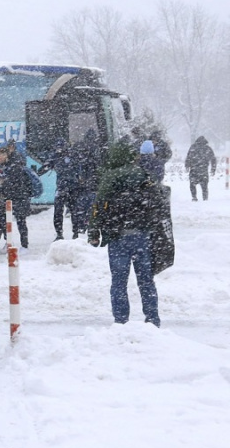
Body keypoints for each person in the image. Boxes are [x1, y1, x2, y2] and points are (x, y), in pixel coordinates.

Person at [88, 138, 163, 327]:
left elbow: (98, 206)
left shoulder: (110, 176)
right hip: (141, 235)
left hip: (117, 235)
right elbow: (156, 200)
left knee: (119, 282)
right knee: (146, 280)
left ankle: (121, 321)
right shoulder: (143, 174)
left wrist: (94, 231)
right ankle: (152, 319)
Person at [38, 139, 83, 240]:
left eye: (60, 148)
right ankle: (61, 233)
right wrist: (42, 169)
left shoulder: (70, 155)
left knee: (71, 211)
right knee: (62, 211)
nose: (59, 150)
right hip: (64, 187)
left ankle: (73, 233)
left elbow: (79, 169)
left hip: (70, 187)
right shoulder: (57, 156)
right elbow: (46, 166)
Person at [0, 141, 34, 249]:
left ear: (6, 155)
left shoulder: (14, 166)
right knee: (4, 220)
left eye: (0, 156)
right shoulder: (3, 167)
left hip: (20, 197)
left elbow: (15, 184)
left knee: (21, 221)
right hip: (10, 198)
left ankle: (24, 245)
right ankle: (8, 242)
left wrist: (2, 184)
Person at [184, 136, 216, 201]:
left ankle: (194, 197)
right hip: (203, 170)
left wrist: (187, 165)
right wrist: (213, 168)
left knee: (192, 184)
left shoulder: (193, 147)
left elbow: (188, 157)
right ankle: (205, 198)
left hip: (194, 169)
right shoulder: (208, 148)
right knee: (204, 186)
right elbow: (213, 159)